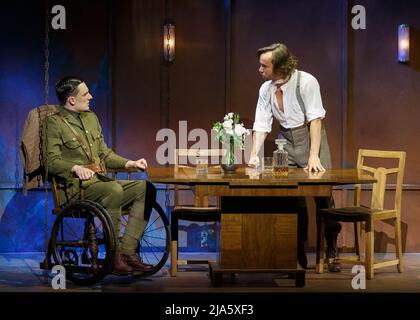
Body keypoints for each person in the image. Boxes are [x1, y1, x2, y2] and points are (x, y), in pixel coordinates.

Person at [43, 76, 153, 276]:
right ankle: (113, 255)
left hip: (100, 183)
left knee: (146, 189)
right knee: (114, 189)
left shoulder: (91, 118)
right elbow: (51, 162)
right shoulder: (54, 123)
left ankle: (127, 251)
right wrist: (75, 167)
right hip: (76, 189)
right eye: (85, 94)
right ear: (72, 100)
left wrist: (129, 163)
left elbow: (104, 154)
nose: (91, 97)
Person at [248, 43, 341, 272]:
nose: (259, 69)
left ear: (279, 66)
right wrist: (254, 156)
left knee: (323, 195)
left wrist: (313, 156)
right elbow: (261, 125)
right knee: (290, 195)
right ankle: (296, 248)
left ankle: (332, 246)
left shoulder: (307, 81)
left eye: (264, 65)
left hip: (310, 137)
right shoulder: (266, 89)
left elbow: (316, 120)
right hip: (286, 141)